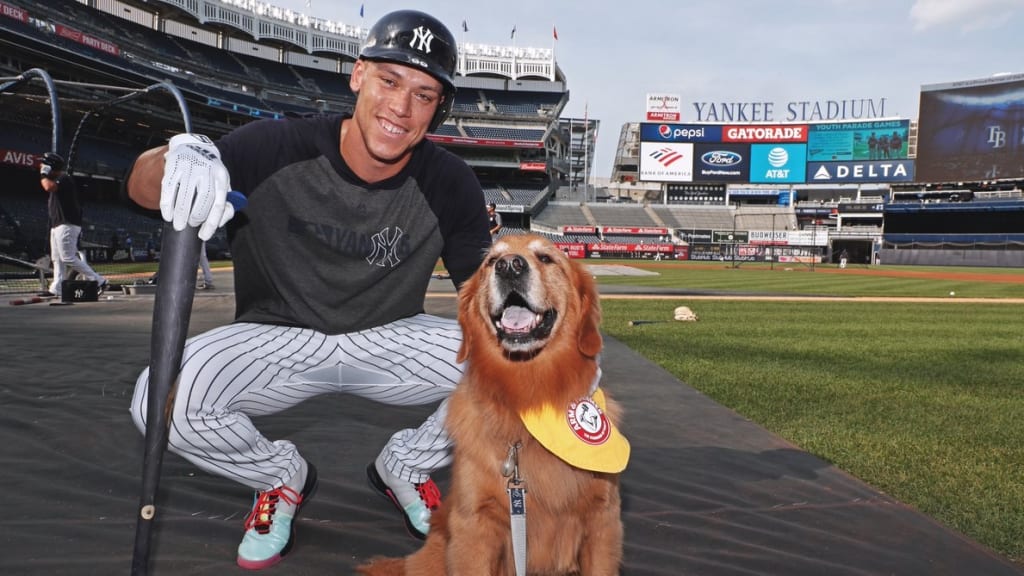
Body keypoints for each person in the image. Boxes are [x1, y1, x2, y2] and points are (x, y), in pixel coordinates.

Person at [125, 10, 490, 570]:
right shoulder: (274, 145)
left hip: (390, 335)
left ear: (438, 108)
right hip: (276, 336)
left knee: (521, 372)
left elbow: (481, 296)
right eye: (390, 81)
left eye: (424, 94)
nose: (401, 106)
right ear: (357, 75)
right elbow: (143, 187)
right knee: (158, 402)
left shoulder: (450, 180)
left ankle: (407, 465)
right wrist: (178, 156)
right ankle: (279, 476)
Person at [38, 152, 107, 297]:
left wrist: (44, 175)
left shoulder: (63, 178)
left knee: (68, 257)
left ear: (51, 166)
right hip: (57, 225)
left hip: (67, 224)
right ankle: (56, 288)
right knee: (57, 258)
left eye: (44, 164)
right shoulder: (57, 178)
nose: (41, 166)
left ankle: (99, 281)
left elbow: (48, 187)